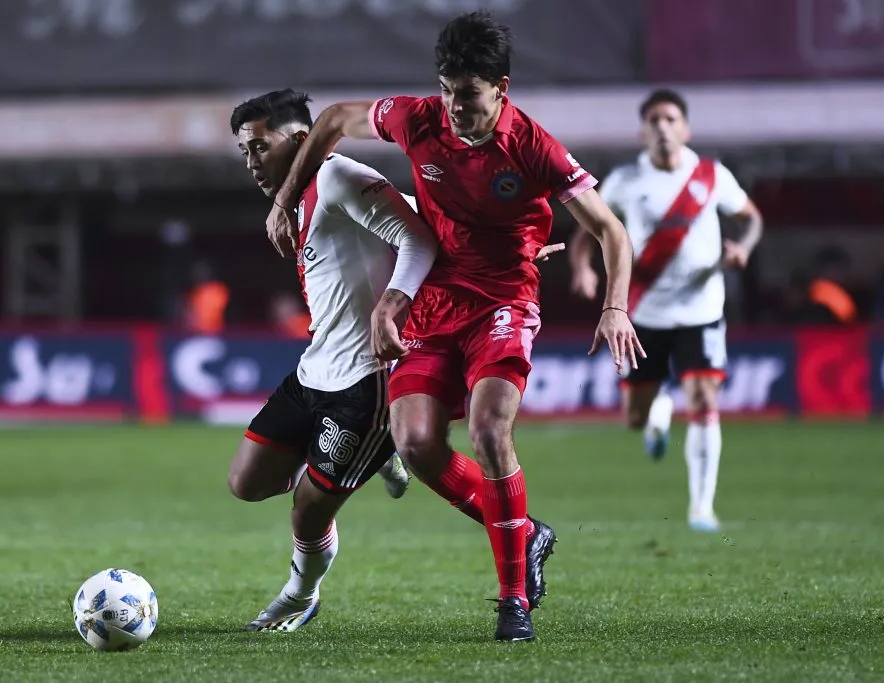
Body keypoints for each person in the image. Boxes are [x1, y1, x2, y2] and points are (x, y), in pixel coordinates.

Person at [265, 12, 643, 642]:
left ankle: (512, 599)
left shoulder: (535, 148)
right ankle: (529, 534)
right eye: (446, 89)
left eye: (467, 95)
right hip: (437, 302)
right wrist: (285, 200)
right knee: (413, 442)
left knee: (492, 429)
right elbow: (332, 120)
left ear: (502, 88)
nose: (453, 107)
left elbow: (610, 231)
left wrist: (615, 306)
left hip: (504, 301)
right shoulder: (417, 119)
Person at [226, 89, 434, 632]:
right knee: (245, 483)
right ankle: (374, 459)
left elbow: (420, 240)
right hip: (314, 369)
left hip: (366, 382)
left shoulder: (339, 176)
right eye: (244, 152)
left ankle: (300, 595)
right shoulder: (297, 195)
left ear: (300, 139)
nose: (252, 163)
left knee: (308, 507)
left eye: (259, 147)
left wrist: (392, 306)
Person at [568, 88, 764, 532]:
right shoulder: (624, 181)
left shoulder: (713, 176)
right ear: (643, 131)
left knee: (704, 399)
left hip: (702, 309)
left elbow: (751, 218)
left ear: (685, 128)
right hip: (642, 314)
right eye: (654, 120)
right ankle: (656, 417)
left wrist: (744, 248)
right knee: (636, 418)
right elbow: (588, 231)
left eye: (671, 119)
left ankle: (701, 508)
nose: (663, 127)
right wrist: (582, 267)